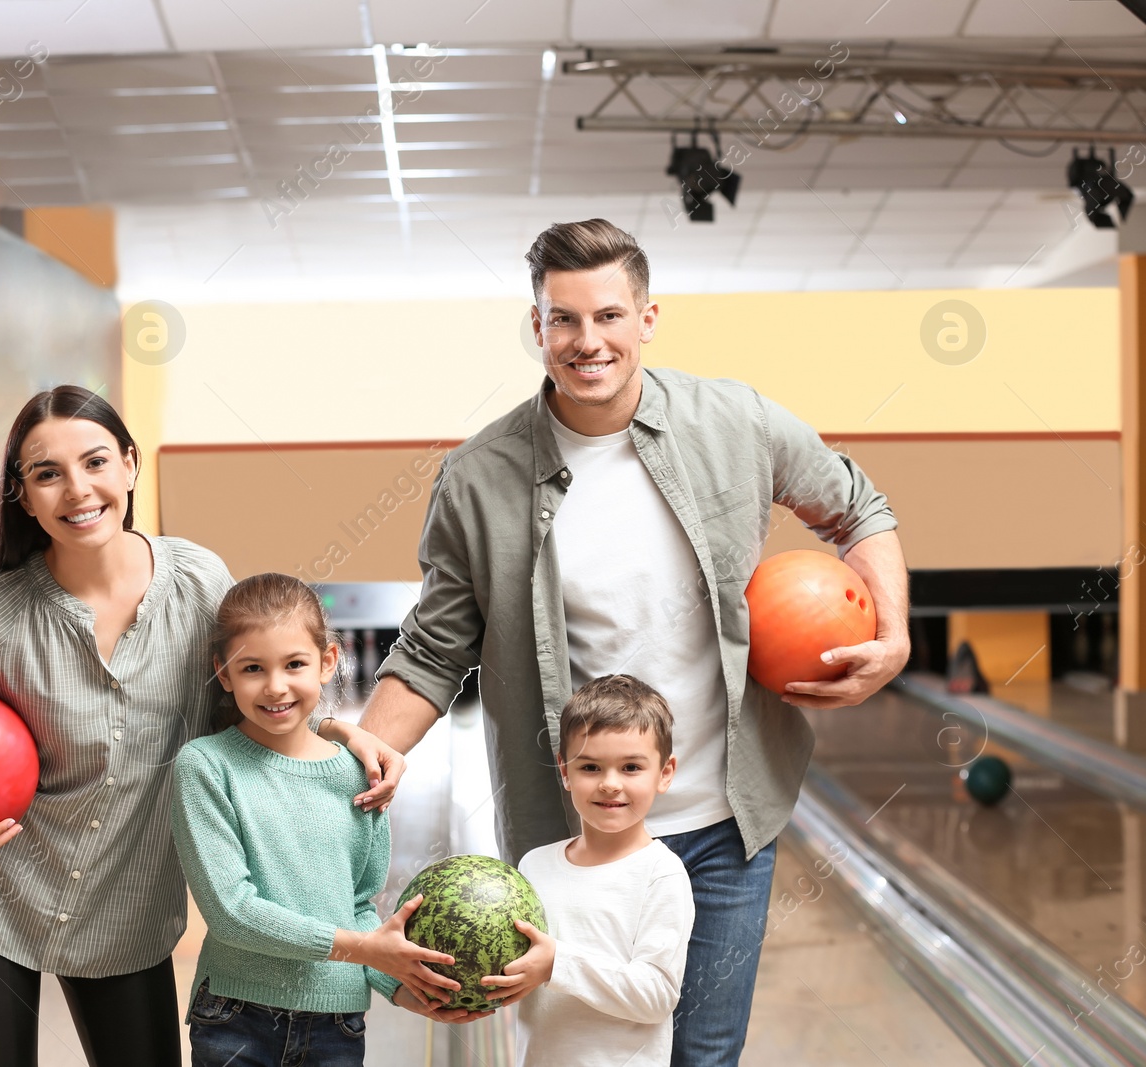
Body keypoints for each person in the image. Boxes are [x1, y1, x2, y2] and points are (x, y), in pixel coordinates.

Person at [314, 218, 909, 1063]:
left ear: (647, 318)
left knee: (703, 1056)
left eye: (609, 316)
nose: (587, 340)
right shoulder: (479, 476)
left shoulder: (733, 421)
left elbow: (860, 506)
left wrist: (895, 636)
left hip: (722, 823)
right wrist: (361, 761)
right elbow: (434, 648)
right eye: (564, 319)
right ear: (537, 326)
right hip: (573, 836)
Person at [0, 386, 399, 1067]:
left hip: (128, 914)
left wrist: (336, 730)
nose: (77, 489)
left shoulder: (198, 582)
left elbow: (254, 686)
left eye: (94, 462)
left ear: (128, 464)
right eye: (47, 473)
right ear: (23, 496)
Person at [171, 572, 464, 1067]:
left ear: (327, 661)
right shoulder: (205, 766)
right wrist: (366, 951)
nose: (275, 686)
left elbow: (359, 904)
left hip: (338, 1024)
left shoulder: (359, 771)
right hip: (236, 1017)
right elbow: (231, 911)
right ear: (223, 674)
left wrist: (400, 986)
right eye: (252, 669)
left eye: (295, 664)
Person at [482, 674, 694, 1067]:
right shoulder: (535, 865)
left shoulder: (661, 874)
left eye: (631, 767)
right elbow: (520, 964)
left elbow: (657, 995)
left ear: (665, 772)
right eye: (591, 767)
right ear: (564, 770)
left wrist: (557, 963)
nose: (610, 784)